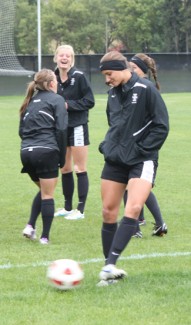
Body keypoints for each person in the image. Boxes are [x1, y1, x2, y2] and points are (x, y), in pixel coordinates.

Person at [97, 51, 169, 286]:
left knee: (134, 207)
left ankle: (110, 264)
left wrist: (139, 149)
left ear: (121, 68)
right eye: (105, 75)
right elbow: (115, 125)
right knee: (108, 211)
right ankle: (109, 272)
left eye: (109, 74)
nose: (107, 79)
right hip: (116, 159)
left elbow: (161, 127)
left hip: (142, 159)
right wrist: (110, 145)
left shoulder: (147, 89)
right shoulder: (112, 95)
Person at [20, 69, 68, 244]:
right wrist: (62, 157)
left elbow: (21, 131)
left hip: (26, 152)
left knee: (43, 190)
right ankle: (45, 237)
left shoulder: (29, 101)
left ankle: (30, 226)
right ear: (52, 84)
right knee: (48, 194)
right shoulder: (57, 100)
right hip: (46, 151)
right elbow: (62, 130)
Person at [124, 53, 168, 238]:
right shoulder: (133, 89)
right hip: (134, 147)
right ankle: (150, 222)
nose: (130, 71)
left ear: (142, 70)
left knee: (133, 186)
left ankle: (134, 228)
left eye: (134, 68)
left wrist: (143, 146)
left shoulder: (146, 90)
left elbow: (159, 125)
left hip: (144, 149)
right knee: (138, 186)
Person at [53, 45, 95, 220]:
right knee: (65, 168)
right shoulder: (52, 77)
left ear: (72, 59)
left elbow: (89, 101)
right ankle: (68, 207)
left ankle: (81, 210)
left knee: (79, 168)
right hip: (60, 128)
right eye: (61, 55)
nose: (64, 58)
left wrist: (68, 105)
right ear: (55, 58)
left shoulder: (79, 77)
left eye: (68, 56)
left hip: (77, 126)